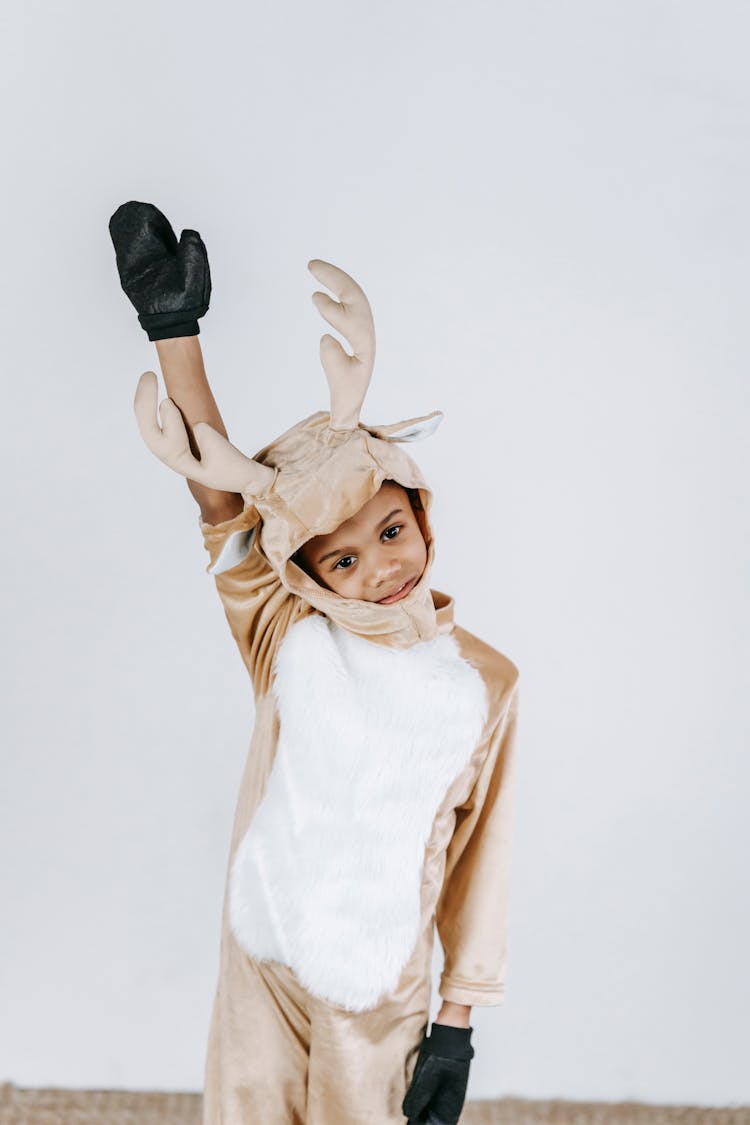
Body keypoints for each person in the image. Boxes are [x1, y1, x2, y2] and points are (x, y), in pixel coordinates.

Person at [108, 201, 520, 1125]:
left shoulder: (487, 683)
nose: (379, 568)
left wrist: (456, 1020)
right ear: (305, 571)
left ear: (418, 510)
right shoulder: (286, 637)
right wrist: (176, 333)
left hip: (377, 997)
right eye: (340, 558)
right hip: (263, 962)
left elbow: (481, 855)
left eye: (389, 529)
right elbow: (222, 500)